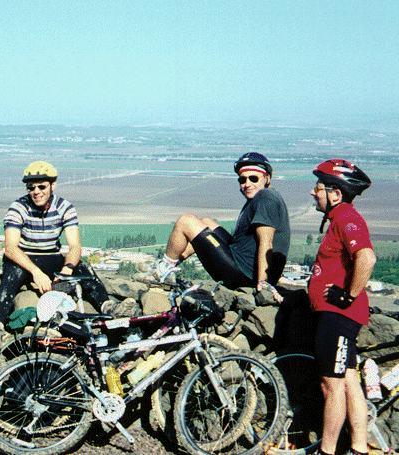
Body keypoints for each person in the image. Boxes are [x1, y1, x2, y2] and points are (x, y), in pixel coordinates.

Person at [0, 161, 112, 347]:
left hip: (52, 257)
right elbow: (11, 248)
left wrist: (67, 269)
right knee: (12, 275)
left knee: (83, 267)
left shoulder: (65, 207)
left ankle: (108, 306)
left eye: (42, 186)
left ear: (53, 185)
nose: (36, 191)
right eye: (31, 187)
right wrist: (36, 273)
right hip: (24, 259)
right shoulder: (18, 208)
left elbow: (75, 246)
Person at [154, 152, 290, 298]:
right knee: (206, 223)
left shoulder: (266, 198)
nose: (247, 184)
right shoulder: (261, 198)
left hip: (242, 274)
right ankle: (170, 265)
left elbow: (267, 242)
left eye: (253, 178)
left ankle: (162, 269)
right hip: (242, 264)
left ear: (267, 178)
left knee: (186, 221)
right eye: (242, 179)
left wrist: (264, 282)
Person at [308, 159, 375, 455]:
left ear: (336, 193)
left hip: (338, 317)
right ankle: (359, 448)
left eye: (319, 188)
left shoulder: (348, 218)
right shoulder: (340, 218)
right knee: (348, 382)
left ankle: (328, 451)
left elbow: (367, 258)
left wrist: (347, 296)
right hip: (337, 317)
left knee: (330, 387)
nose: (313, 193)